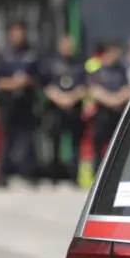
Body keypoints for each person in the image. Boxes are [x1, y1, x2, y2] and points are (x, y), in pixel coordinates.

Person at [0, 21, 40, 187]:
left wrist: (26, 82)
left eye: (20, 32)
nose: (17, 36)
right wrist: (14, 83)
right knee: (7, 139)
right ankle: (4, 174)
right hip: (7, 103)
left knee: (27, 138)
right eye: (14, 32)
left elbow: (37, 78)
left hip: (26, 102)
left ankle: (29, 173)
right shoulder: (3, 55)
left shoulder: (31, 54)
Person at [42, 34, 88, 183]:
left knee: (75, 143)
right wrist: (60, 99)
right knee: (55, 141)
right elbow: (46, 85)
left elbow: (85, 86)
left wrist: (71, 98)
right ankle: (54, 175)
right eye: (65, 44)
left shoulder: (80, 63)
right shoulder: (50, 63)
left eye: (70, 45)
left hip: (74, 108)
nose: (68, 48)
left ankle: (74, 175)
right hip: (56, 108)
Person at [89, 41, 130, 167]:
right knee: (98, 147)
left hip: (118, 114)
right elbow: (95, 92)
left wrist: (116, 99)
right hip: (102, 115)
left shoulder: (122, 70)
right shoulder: (97, 70)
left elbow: (128, 90)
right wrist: (114, 99)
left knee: (118, 147)